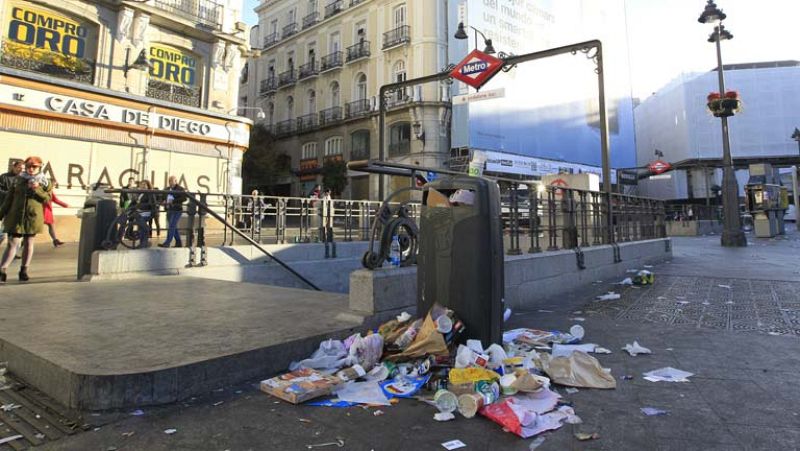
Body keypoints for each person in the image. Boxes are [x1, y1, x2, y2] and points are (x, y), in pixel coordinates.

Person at [0, 156, 53, 282]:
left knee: (29, 242)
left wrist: (37, 189)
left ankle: (23, 270)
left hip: (32, 217)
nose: (30, 169)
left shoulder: (45, 182)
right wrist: (1, 213)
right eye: (28, 166)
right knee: (13, 243)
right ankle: (2, 270)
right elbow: (9, 199)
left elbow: (47, 199)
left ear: (39, 167)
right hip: (16, 216)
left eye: (34, 167)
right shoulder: (18, 179)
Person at [0, 160, 24, 247]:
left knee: (15, 233)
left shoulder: (23, 179)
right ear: (13, 167)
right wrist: (9, 194)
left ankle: (13, 252)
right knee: (2, 233)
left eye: (22, 168)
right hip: (6, 208)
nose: (20, 170)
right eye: (19, 168)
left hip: (17, 209)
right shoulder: (4, 177)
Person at [158, 176, 186, 248]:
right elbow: (161, 197)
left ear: (176, 181)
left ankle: (167, 243)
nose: (170, 182)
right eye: (169, 181)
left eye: (171, 181)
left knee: (172, 226)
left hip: (176, 210)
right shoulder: (166, 189)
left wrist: (173, 201)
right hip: (168, 210)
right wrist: (163, 201)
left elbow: (184, 198)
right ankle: (179, 242)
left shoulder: (180, 189)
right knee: (173, 227)